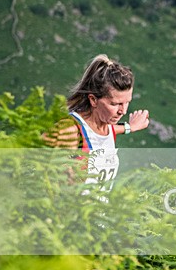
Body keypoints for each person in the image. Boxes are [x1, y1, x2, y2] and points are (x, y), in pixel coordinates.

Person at [44, 54, 150, 191]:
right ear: (93, 100)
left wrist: (130, 127)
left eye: (127, 102)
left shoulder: (106, 127)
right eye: (115, 104)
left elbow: (104, 132)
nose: (123, 111)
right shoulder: (70, 129)